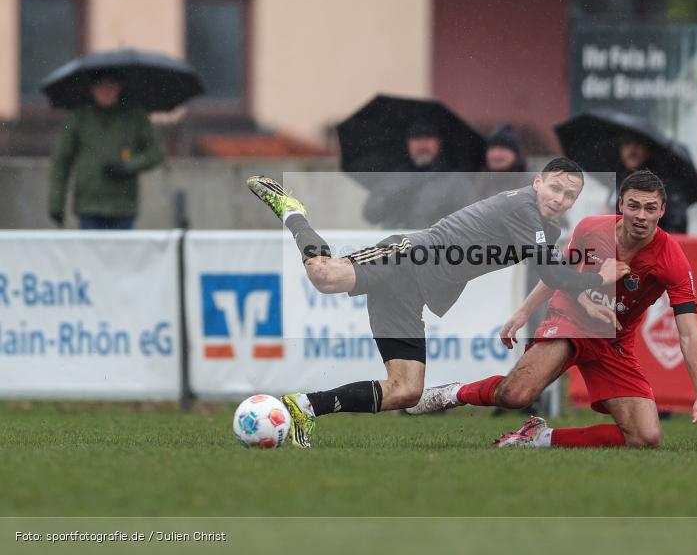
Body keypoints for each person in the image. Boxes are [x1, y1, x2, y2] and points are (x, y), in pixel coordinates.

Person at [247, 158, 621, 448]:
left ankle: (305, 407)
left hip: (414, 292)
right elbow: (555, 274)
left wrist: (557, 306)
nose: (559, 199)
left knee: (406, 390)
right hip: (408, 256)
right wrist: (599, 278)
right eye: (554, 188)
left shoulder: (545, 227)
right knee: (324, 275)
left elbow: (552, 272)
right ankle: (293, 212)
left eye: (569, 195)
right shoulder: (524, 208)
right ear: (537, 182)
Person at [407, 170, 697, 449]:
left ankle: (539, 437)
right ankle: (452, 394)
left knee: (645, 437)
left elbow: (689, 333)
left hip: (614, 341)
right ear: (621, 205)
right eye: (634, 206)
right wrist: (524, 312)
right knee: (515, 396)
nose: (641, 215)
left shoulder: (671, 260)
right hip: (571, 321)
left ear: (662, 210)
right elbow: (559, 274)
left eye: (650, 208)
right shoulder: (592, 228)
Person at [48, 72, 164, 230]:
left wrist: (128, 167)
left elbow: (156, 152)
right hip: (88, 206)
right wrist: (56, 204)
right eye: (100, 86)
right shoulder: (78, 117)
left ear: (119, 87)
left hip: (123, 206)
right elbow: (61, 160)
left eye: (111, 85)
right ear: (92, 88)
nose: (106, 91)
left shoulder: (135, 115)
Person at [362, 120, 477, 228]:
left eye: (428, 138)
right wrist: (390, 201)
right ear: (408, 143)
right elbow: (370, 215)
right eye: (416, 138)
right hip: (397, 240)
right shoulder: (393, 177)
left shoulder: (456, 180)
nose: (422, 145)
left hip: (435, 241)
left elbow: (470, 219)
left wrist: (446, 218)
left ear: (439, 143)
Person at [609, 134, 691, 234]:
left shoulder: (665, 183)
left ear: (648, 150)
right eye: (626, 144)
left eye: (638, 144)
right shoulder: (620, 180)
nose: (632, 150)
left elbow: (677, 224)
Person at [473, 125, 530, 200]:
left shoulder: (532, 185)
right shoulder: (475, 183)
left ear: (516, 155)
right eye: (492, 148)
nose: (496, 154)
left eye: (502, 149)